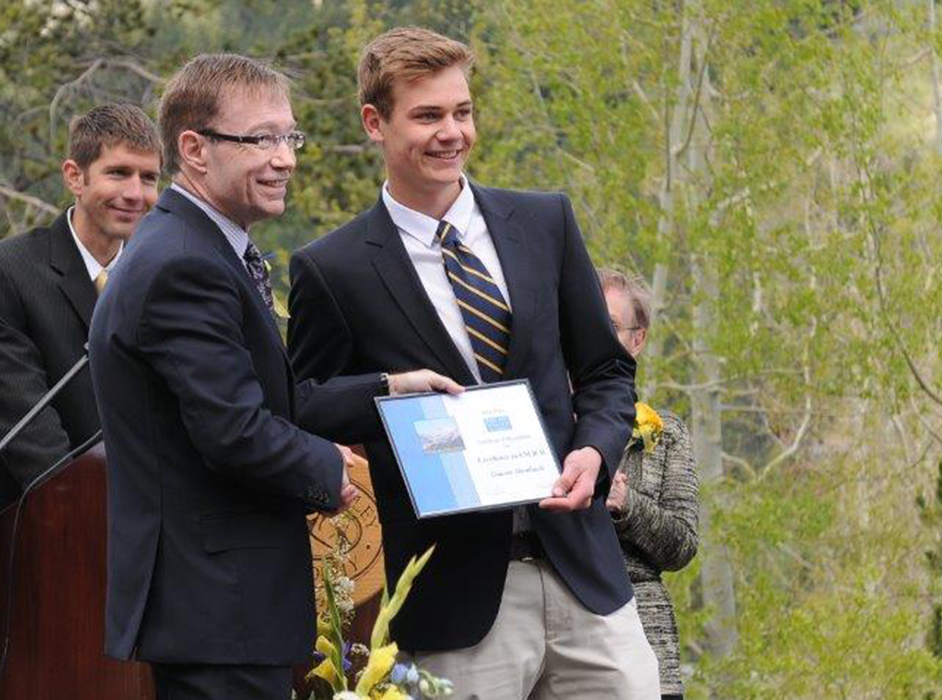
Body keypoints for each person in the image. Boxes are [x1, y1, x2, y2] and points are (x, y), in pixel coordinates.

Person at [288, 27, 659, 698]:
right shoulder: (332, 268)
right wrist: (388, 388)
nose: (451, 132)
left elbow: (606, 374)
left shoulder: (545, 223)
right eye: (427, 115)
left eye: (461, 112)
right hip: (454, 603)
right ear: (375, 122)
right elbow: (302, 401)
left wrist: (596, 454)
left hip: (584, 576)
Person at [87, 53, 456, 700]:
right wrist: (327, 470)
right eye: (260, 139)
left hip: (225, 608)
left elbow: (270, 401)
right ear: (195, 149)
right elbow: (233, 430)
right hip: (215, 604)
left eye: (290, 137)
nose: (285, 158)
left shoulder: (200, 248)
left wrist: (389, 388)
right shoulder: (184, 265)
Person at [0, 103, 161, 699]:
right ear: (74, 175)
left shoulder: (166, 278)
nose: (136, 193)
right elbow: (33, 438)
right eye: (118, 174)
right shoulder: (4, 273)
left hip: (134, 567)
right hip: (20, 556)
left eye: (148, 177)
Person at [599, 269, 699, 700]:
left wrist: (626, 504)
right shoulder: (543, 424)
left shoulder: (667, 433)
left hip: (644, 634)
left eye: (612, 326)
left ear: (637, 340)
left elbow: (682, 545)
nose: (597, 335)